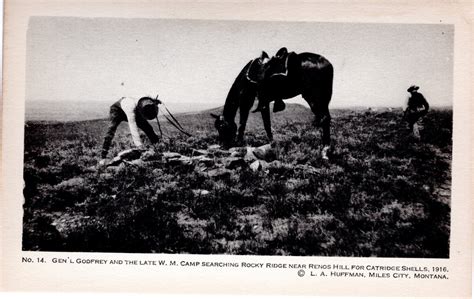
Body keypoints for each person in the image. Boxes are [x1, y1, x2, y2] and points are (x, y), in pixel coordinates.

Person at [99, 96, 161, 166]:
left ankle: (159, 147)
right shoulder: (130, 108)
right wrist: (139, 145)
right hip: (117, 110)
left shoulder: (144, 102)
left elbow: (148, 103)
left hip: (136, 110)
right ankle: (103, 157)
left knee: (148, 128)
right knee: (111, 130)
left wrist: (155, 102)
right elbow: (133, 126)